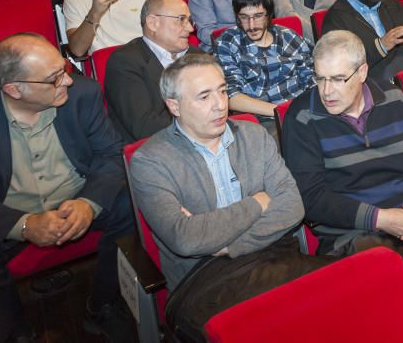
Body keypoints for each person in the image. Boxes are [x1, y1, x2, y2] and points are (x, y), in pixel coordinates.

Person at [0, 34, 134, 343]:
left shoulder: (84, 93)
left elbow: (111, 155)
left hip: (75, 198)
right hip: (8, 212)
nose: (67, 81)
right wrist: (25, 225)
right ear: (14, 89)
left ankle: (103, 304)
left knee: (132, 205)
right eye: (54, 78)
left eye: (64, 69)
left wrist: (89, 203)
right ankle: (12, 333)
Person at [128, 53, 328, 339]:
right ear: (174, 106)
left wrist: (227, 244)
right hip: (204, 282)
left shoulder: (253, 135)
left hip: (276, 257)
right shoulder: (151, 161)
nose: (221, 104)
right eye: (204, 97)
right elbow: (185, 238)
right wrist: (258, 202)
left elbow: (292, 206)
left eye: (222, 91)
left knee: (355, 294)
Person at [281, 30, 403, 287]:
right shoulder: (302, 118)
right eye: (320, 79)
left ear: (363, 72)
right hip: (351, 234)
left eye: (338, 79)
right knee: (390, 280)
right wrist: (382, 219)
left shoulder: (393, 97)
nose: (326, 91)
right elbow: (311, 198)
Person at [105, 0, 200, 141]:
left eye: (189, 20)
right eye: (181, 19)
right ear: (153, 23)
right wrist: (201, 127)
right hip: (157, 149)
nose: (190, 28)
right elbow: (145, 126)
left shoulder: (198, 56)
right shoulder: (124, 62)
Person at [215, 0, 314, 116]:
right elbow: (231, 97)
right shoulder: (229, 42)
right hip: (262, 118)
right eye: (244, 17)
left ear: (269, 14)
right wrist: (282, 113)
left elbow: (313, 79)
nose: (251, 25)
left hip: (302, 109)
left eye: (258, 16)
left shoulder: (289, 37)